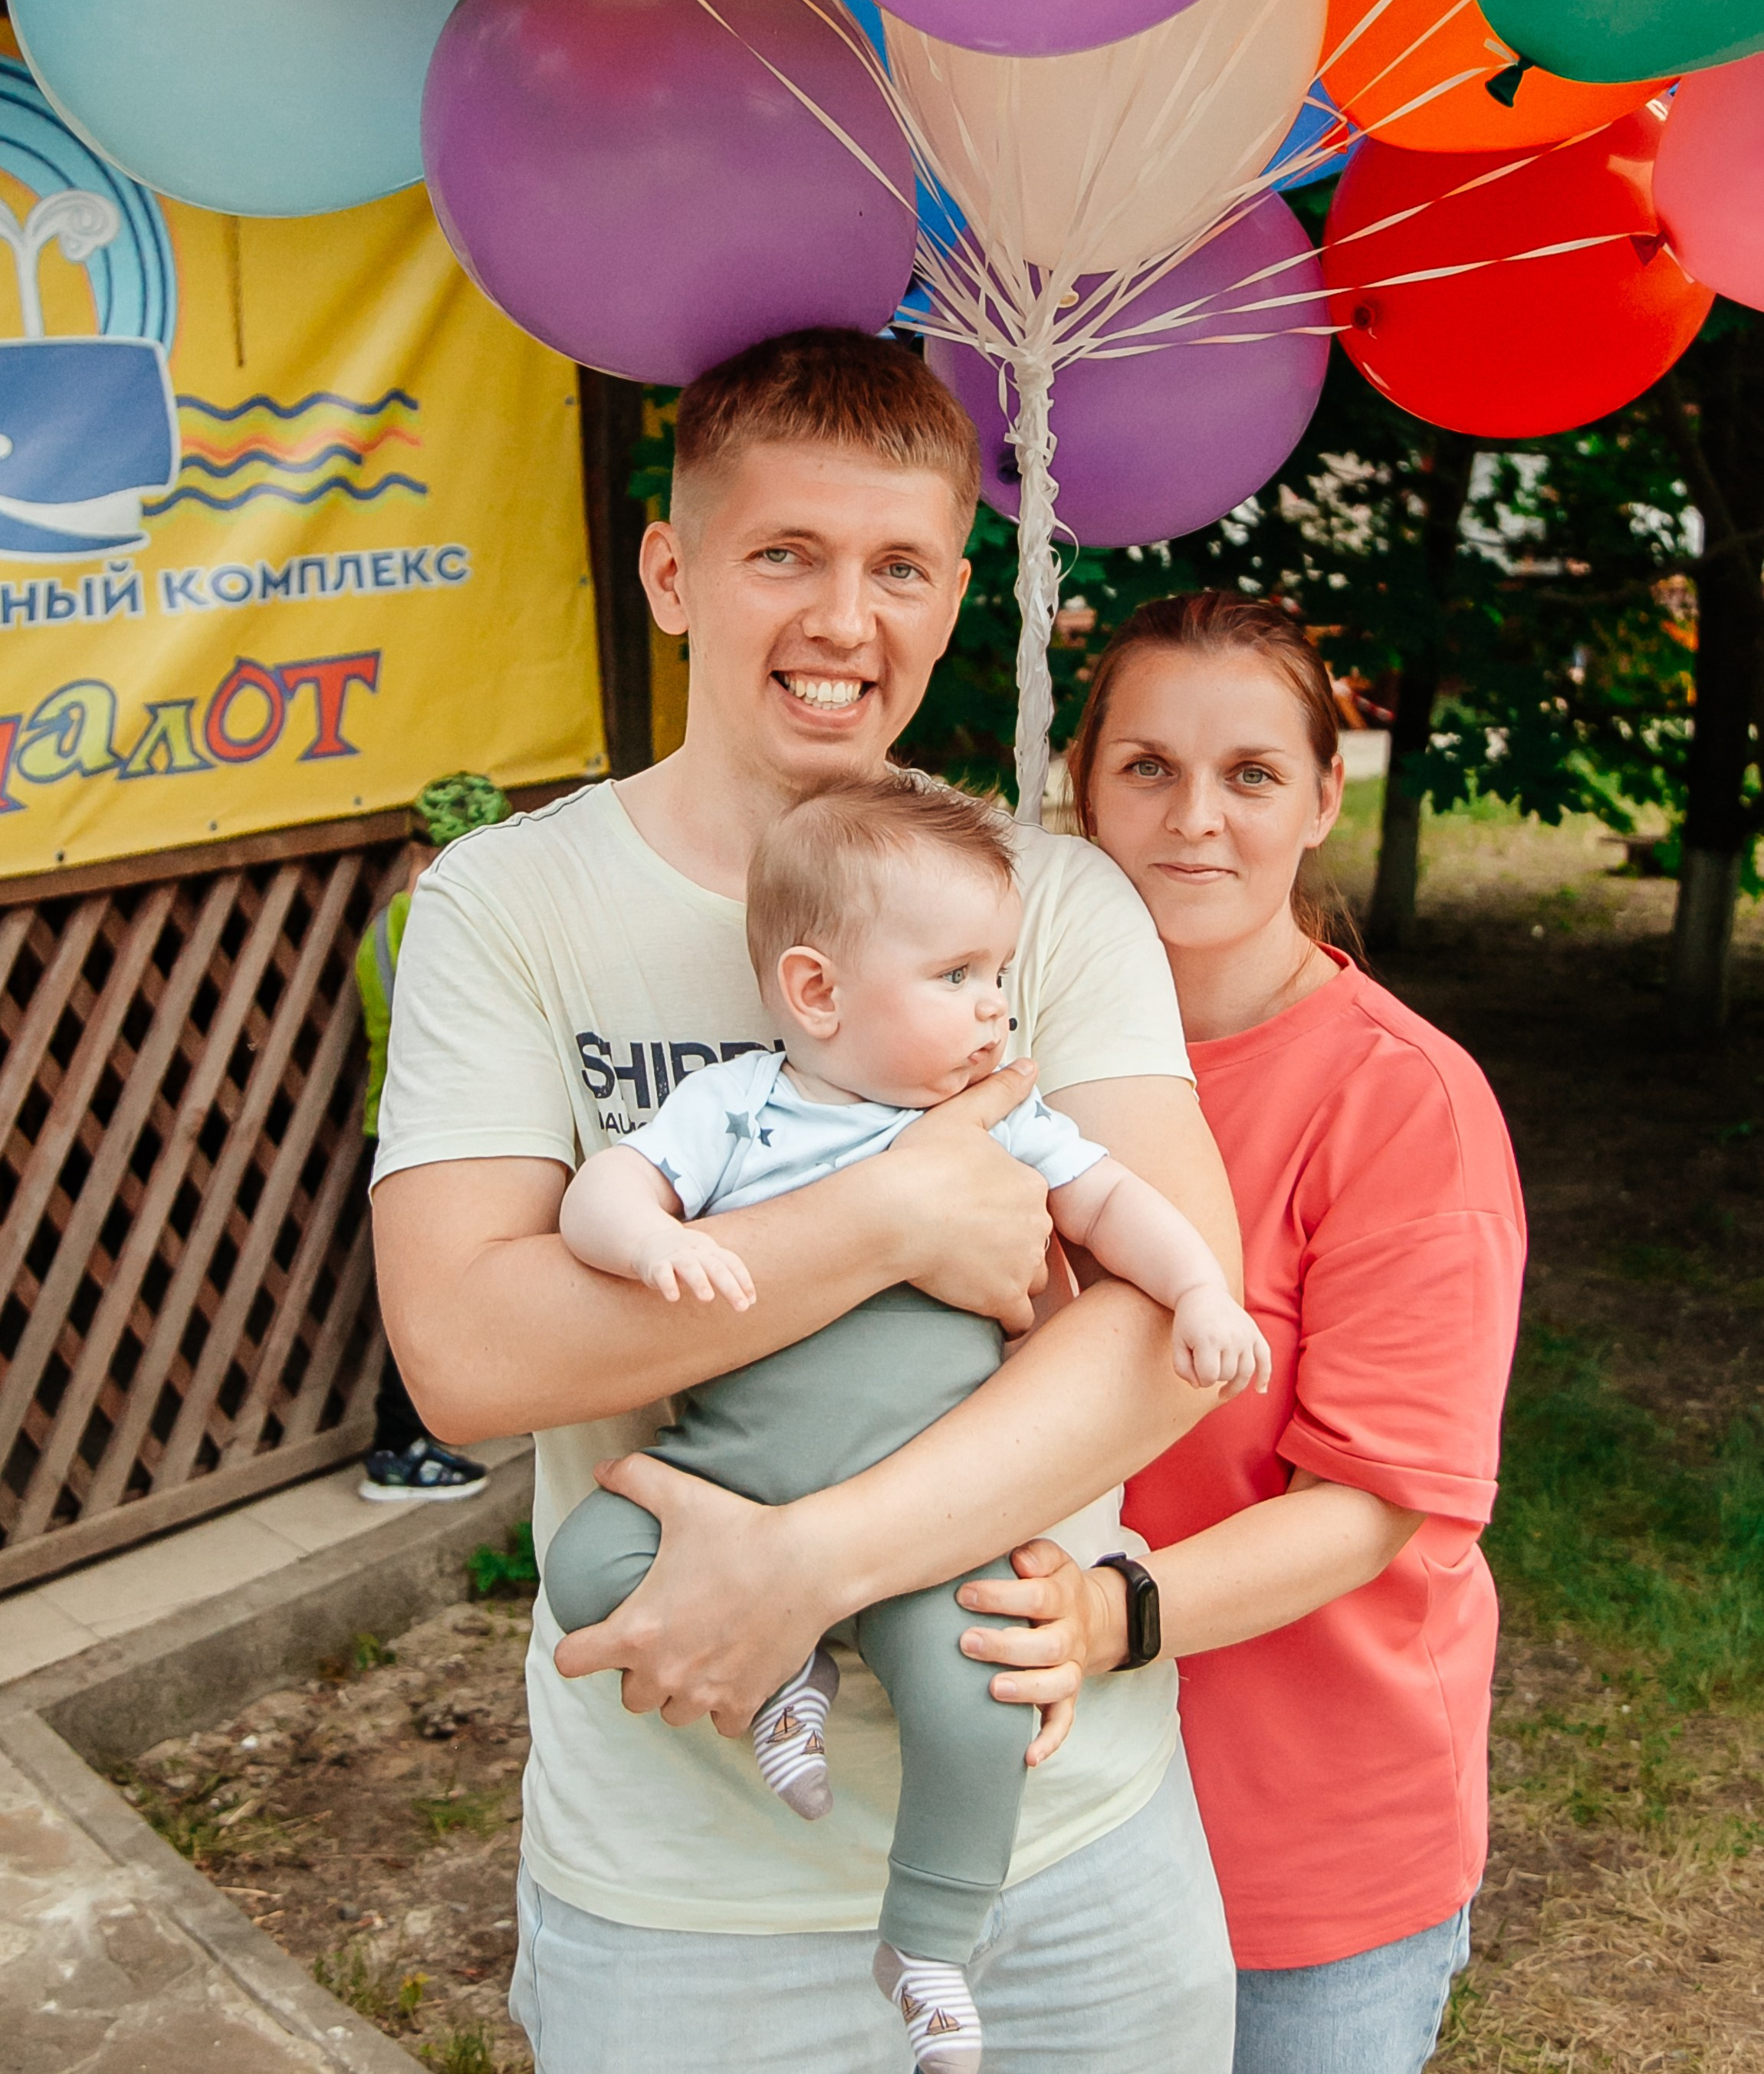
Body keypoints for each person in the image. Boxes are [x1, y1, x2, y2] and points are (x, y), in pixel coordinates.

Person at [370, 329, 1241, 2073]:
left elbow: (1167, 1334)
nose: (850, 622)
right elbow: (466, 1352)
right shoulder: (512, 903)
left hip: (1069, 1853)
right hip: (683, 1903)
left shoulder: (1047, 903)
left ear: (951, 591)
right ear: (675, 570)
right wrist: (896, 1218)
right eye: (789, 556)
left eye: (901, 567)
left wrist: (805, 1567)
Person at [544, 777, 1269, 2074]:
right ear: (816, 994)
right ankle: (786, 1674)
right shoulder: (737, 1107)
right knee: (585, 1568)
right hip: (732, 1479)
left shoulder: (996, 1121)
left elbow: (1118, 1206)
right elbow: (603, 1191)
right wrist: (649, 1238)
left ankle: (928, 1943)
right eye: (956, 976)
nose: (996, 1004)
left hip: (942, 1512)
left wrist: (1201, 1289)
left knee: (979, 1704)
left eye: (998, 972)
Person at [948, 593, 1526, 2074]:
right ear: (1079, 782)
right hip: (1034, 1817)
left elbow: (1375, 1502)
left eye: (1250, 774)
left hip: (1298, 1848)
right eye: (1144, 766)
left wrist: (1105, 1617)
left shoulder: (1403, 1102)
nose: (1191, 819)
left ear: (1327, 794)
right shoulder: (986, 1056)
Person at [355, 772, 512, 1504]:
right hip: (442, 1133)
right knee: (429, 1298)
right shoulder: (453, 923)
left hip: (390, 1126)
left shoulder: (386, 922)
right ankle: (398, 1447)